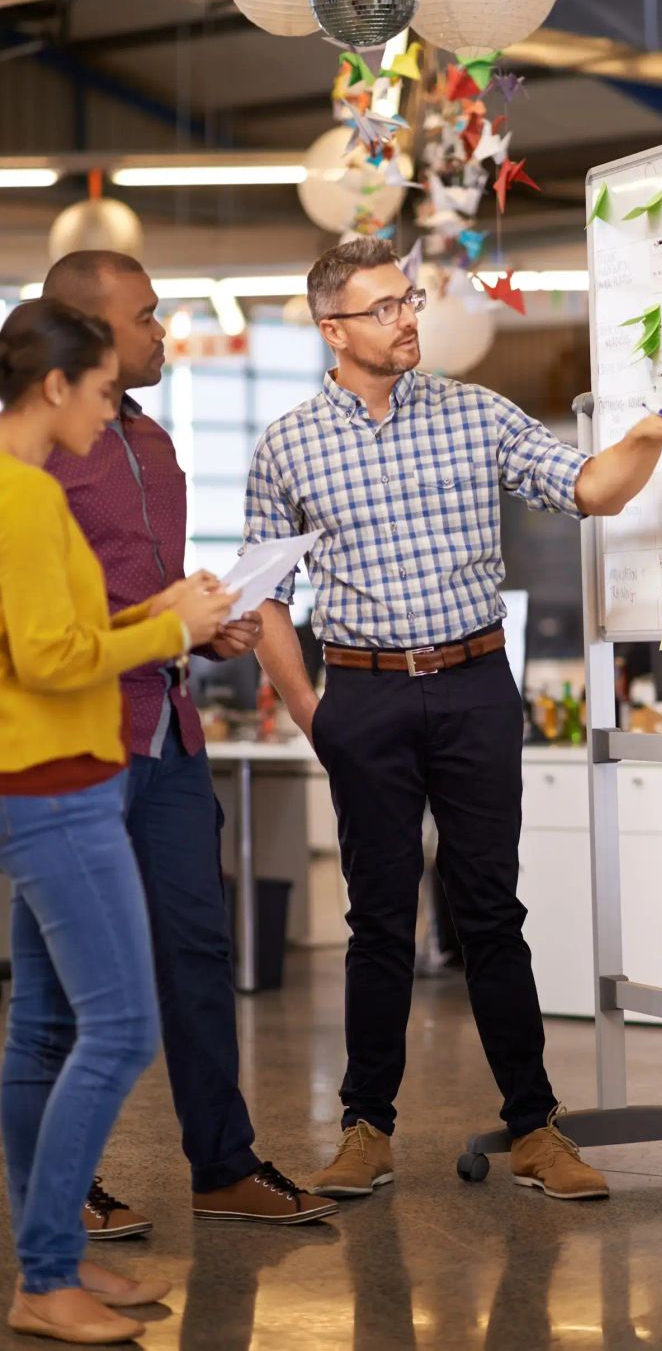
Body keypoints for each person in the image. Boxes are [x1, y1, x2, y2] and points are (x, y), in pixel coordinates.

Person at [246, 237, 662, 1203]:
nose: (407, 318)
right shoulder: (287, 444)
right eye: (383, 307)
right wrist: (311, 710)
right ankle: (364, 1129)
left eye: (410, 299)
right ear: (331, 327)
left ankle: (534, 1128)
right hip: (364, 692)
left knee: (489, 912)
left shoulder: (476, 413)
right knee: (377, 920)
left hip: (471, 686)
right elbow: (264, 592)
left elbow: (586, 489)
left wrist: (646, 437)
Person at [43, 250, 337, 1231]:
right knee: (60, 966)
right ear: (89, 333)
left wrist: (215, 622)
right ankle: (59, 1180)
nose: (162, 331)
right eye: (146, 316)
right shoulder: (35, 452)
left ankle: (222, 1163)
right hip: (79, 734)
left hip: (167, 729)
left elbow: (143, 590)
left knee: (197, 949)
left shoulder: (157, 442)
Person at [0, 298, 235, 1343]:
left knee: (46, 1028)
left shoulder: (22, 492)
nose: (112, 411)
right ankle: (45, 1275)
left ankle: (52, 1251)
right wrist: (166, 633)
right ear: (55, 387)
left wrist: (156, 613)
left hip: (57, 777)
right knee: (123, 1025)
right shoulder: (21, 495)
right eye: (102, 392)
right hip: (54, 785)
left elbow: (63, 631)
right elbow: (47, 661)